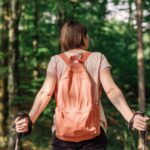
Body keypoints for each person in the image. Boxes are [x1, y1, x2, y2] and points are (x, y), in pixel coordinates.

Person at [14, 21, 149, 150]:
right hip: (94, 133)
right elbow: (112, 90)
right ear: (83, 37)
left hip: (62, 134)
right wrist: (131, 118)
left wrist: (29, 120)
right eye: (87, 35)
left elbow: (45, 93)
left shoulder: (55, 61)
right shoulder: (98, 58)